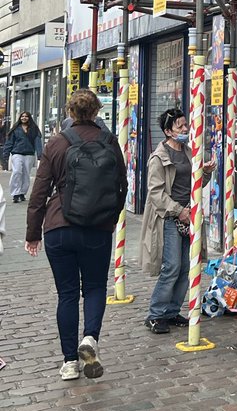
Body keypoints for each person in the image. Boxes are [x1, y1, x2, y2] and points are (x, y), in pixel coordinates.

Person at [25, 89, 127, 381]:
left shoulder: (57, 143)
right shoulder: (109, 141)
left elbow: (39, 192)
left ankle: (70, 362)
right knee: (95, 287)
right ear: (96, 112)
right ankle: (90, 339)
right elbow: (122, 185)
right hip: (97, 229)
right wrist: (111, 216)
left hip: (59, 227)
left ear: (70, 113)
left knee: (67, 294)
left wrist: (33, 233)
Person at [140, 108, 214, 335]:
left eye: (185, 125)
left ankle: (171, 311)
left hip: (189, 215)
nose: (185, 129)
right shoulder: (159, 157)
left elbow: (195, 184)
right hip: (169, 218)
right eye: (179, 126)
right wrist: (178, 210)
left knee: (186, 268)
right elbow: (155, 193)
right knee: (171, 266)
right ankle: (155, 314)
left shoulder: (190, 153)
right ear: (167, 131)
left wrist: (206, 173)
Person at [4, 111, 43, 202]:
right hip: (17, 153)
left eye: (26, 116)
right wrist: (6, 154)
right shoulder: (15, 129)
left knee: (26, 174)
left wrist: (40, 155)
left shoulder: (34, 129)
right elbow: (9, 143)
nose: (24, 118)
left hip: (29, 155)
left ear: (29, 118)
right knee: (17, 172)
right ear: (20, 118)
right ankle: (15, 193)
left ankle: (22, 192)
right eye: (22, 116)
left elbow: (37, 143)